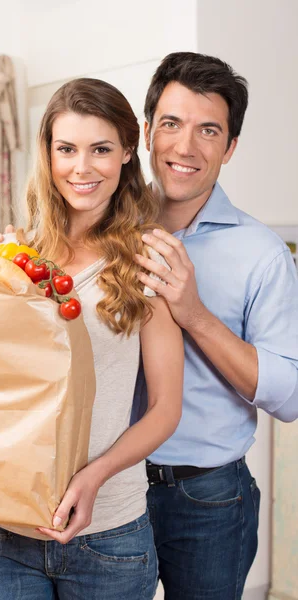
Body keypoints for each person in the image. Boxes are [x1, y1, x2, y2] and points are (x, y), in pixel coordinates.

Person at [0, 78, 184, 600]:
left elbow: (166, 407)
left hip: (108, 534)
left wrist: (94, 477)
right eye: (67, 149)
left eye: (101, 149)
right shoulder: (10, 254)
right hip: (3, 534)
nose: (81, 168)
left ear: (129, 152)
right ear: (48, 154)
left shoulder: (148, 261)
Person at [132, 51, 298, 600]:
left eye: (209, 130)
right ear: (148, 132)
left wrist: (194, 313)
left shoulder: (262, 253)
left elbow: (290, 395)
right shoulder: (109, 233)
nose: (186, 147)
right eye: (171, 124)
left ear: (229, 148)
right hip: (109, 488)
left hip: (206, 499)